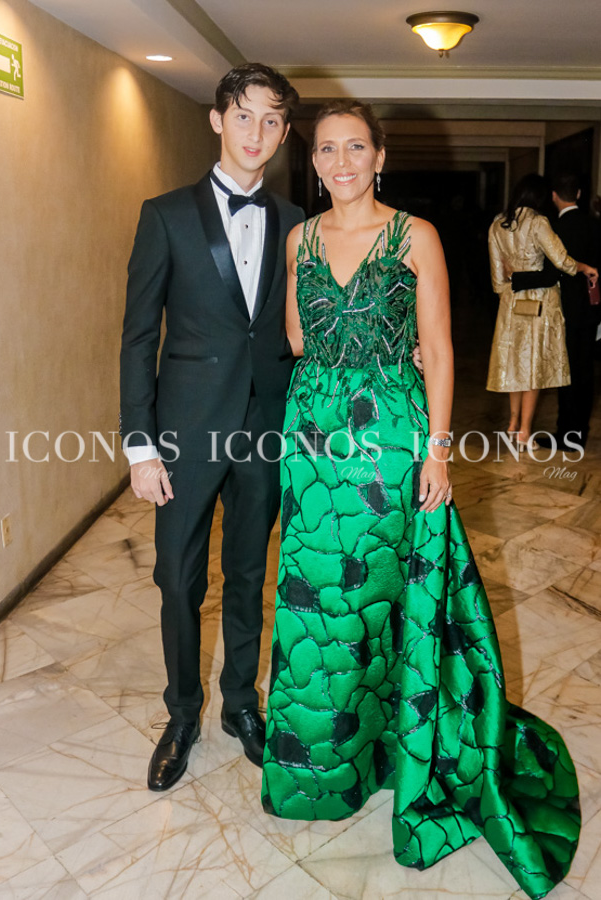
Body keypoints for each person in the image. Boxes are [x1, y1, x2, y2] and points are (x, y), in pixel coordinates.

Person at [261, 101, 581, 900]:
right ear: (314, 161)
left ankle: (393, 748)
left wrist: (437, 448)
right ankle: (322, 764)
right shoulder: (300, 239)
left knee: (380, 595)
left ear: (379, 157)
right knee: (315, 604)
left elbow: (438, 349)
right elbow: (296, 338)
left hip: (390, 439)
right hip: (312, 442)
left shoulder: (414, 236)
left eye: (354, 147)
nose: (340, 161)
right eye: (325, 149)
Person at [119, 63, 305, 790]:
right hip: (185, 433)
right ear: (217, 119)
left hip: (266, 427)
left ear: (284, 133)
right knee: (177, 578)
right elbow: (139, 337)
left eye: (271, 120)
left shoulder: (296, 223)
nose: (256, 132)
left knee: (250, 573)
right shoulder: (164, 214)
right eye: (244, 115)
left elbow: (306, 327)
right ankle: (181, 714)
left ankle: (239, 705)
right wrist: (140, 444)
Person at [486, 173, 597, 451]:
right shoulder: (539, 222)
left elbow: (497, 278)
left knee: (514, 365)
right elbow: (561, 260)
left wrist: (508, 293)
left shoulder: (497, 224)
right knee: (532, 367)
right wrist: (583, 267)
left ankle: (512, 424)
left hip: (510, 303)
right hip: (539, 303)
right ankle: (524, 432)